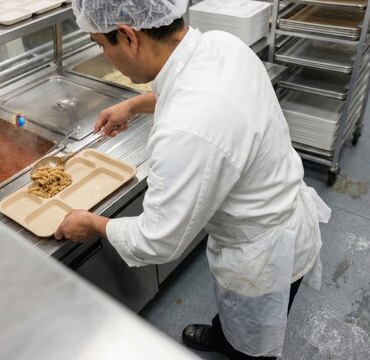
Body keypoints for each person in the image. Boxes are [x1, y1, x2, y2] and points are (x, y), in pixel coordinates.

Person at [55, 0, 331, 358]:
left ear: (127, 36)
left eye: (100, 44)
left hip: (262, 257)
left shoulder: (186, 129)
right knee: (235, 316)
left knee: (252, 344)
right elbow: (190, 86)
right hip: (279, 222)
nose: (104, 54)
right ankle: (223, 334)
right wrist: (134, 105)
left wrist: (91, 223)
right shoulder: (221, 43)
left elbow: (157, 241)